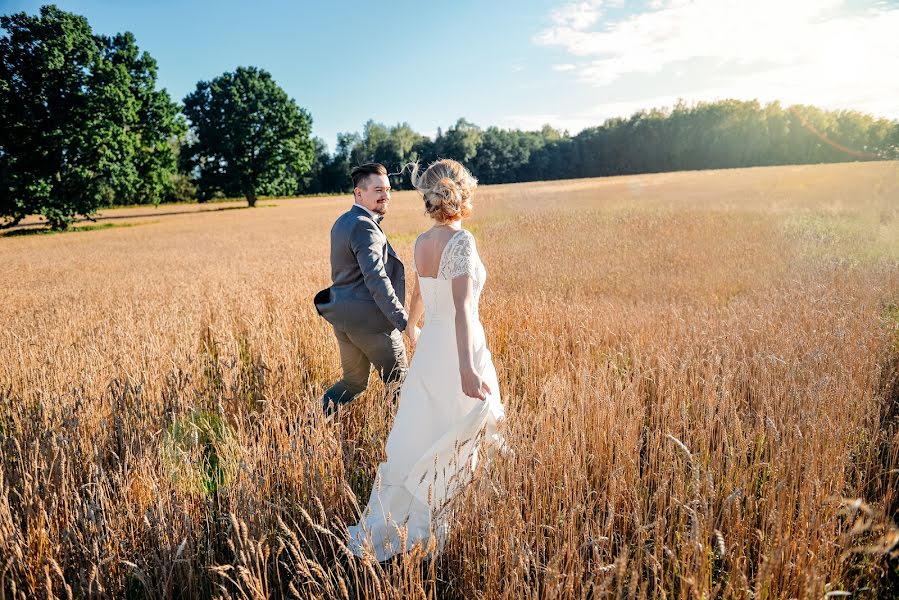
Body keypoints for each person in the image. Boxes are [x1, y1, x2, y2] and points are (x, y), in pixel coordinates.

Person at [347, 159, 505, 561]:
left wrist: (412, 327)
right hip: (455, 349)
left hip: (431, 346)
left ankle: (410, 516)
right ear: (462, 191)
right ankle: (441, 521)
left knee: (423, 431)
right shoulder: (462, 241)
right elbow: (465, 310)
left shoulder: (420, 241)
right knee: (458, 427)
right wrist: (468, 369)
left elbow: (419, 290)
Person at [314, 163, 411, 417]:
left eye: (388, 190)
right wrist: (404, 322)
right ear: (359, 193)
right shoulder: (364, 226)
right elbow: (376, 279)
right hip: (373, 326)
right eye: (378, 190)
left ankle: (307, 425)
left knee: (353, 383)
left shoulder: (343, 221)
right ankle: (398, 446)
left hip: (344, 322)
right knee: (401, 386)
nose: (386, 196)